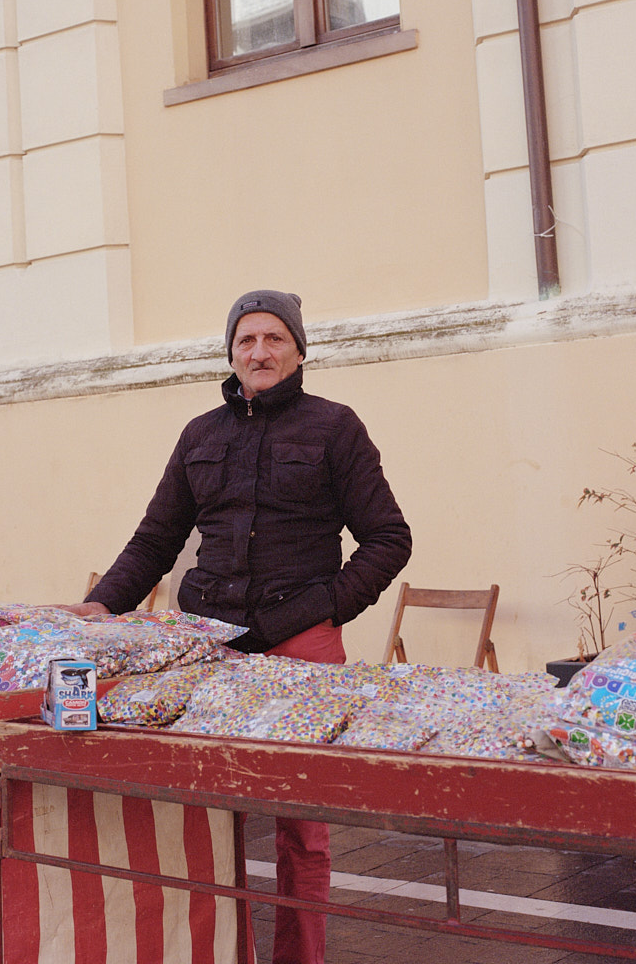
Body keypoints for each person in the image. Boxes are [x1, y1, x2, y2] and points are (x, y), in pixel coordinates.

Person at [72, 289, 412, 964]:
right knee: (201, 813)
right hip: (206, 644)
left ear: (297, 350)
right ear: (230, 353)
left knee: (302, 825)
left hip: (301, 643)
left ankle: (300, 957)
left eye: (272, 339)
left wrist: (329, 605)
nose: (258, 352)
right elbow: (155, 539)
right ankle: (218, 951)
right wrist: (103, 605)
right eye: (245, 340)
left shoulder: (335, 428)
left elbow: (388, 538)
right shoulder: (200, 434)